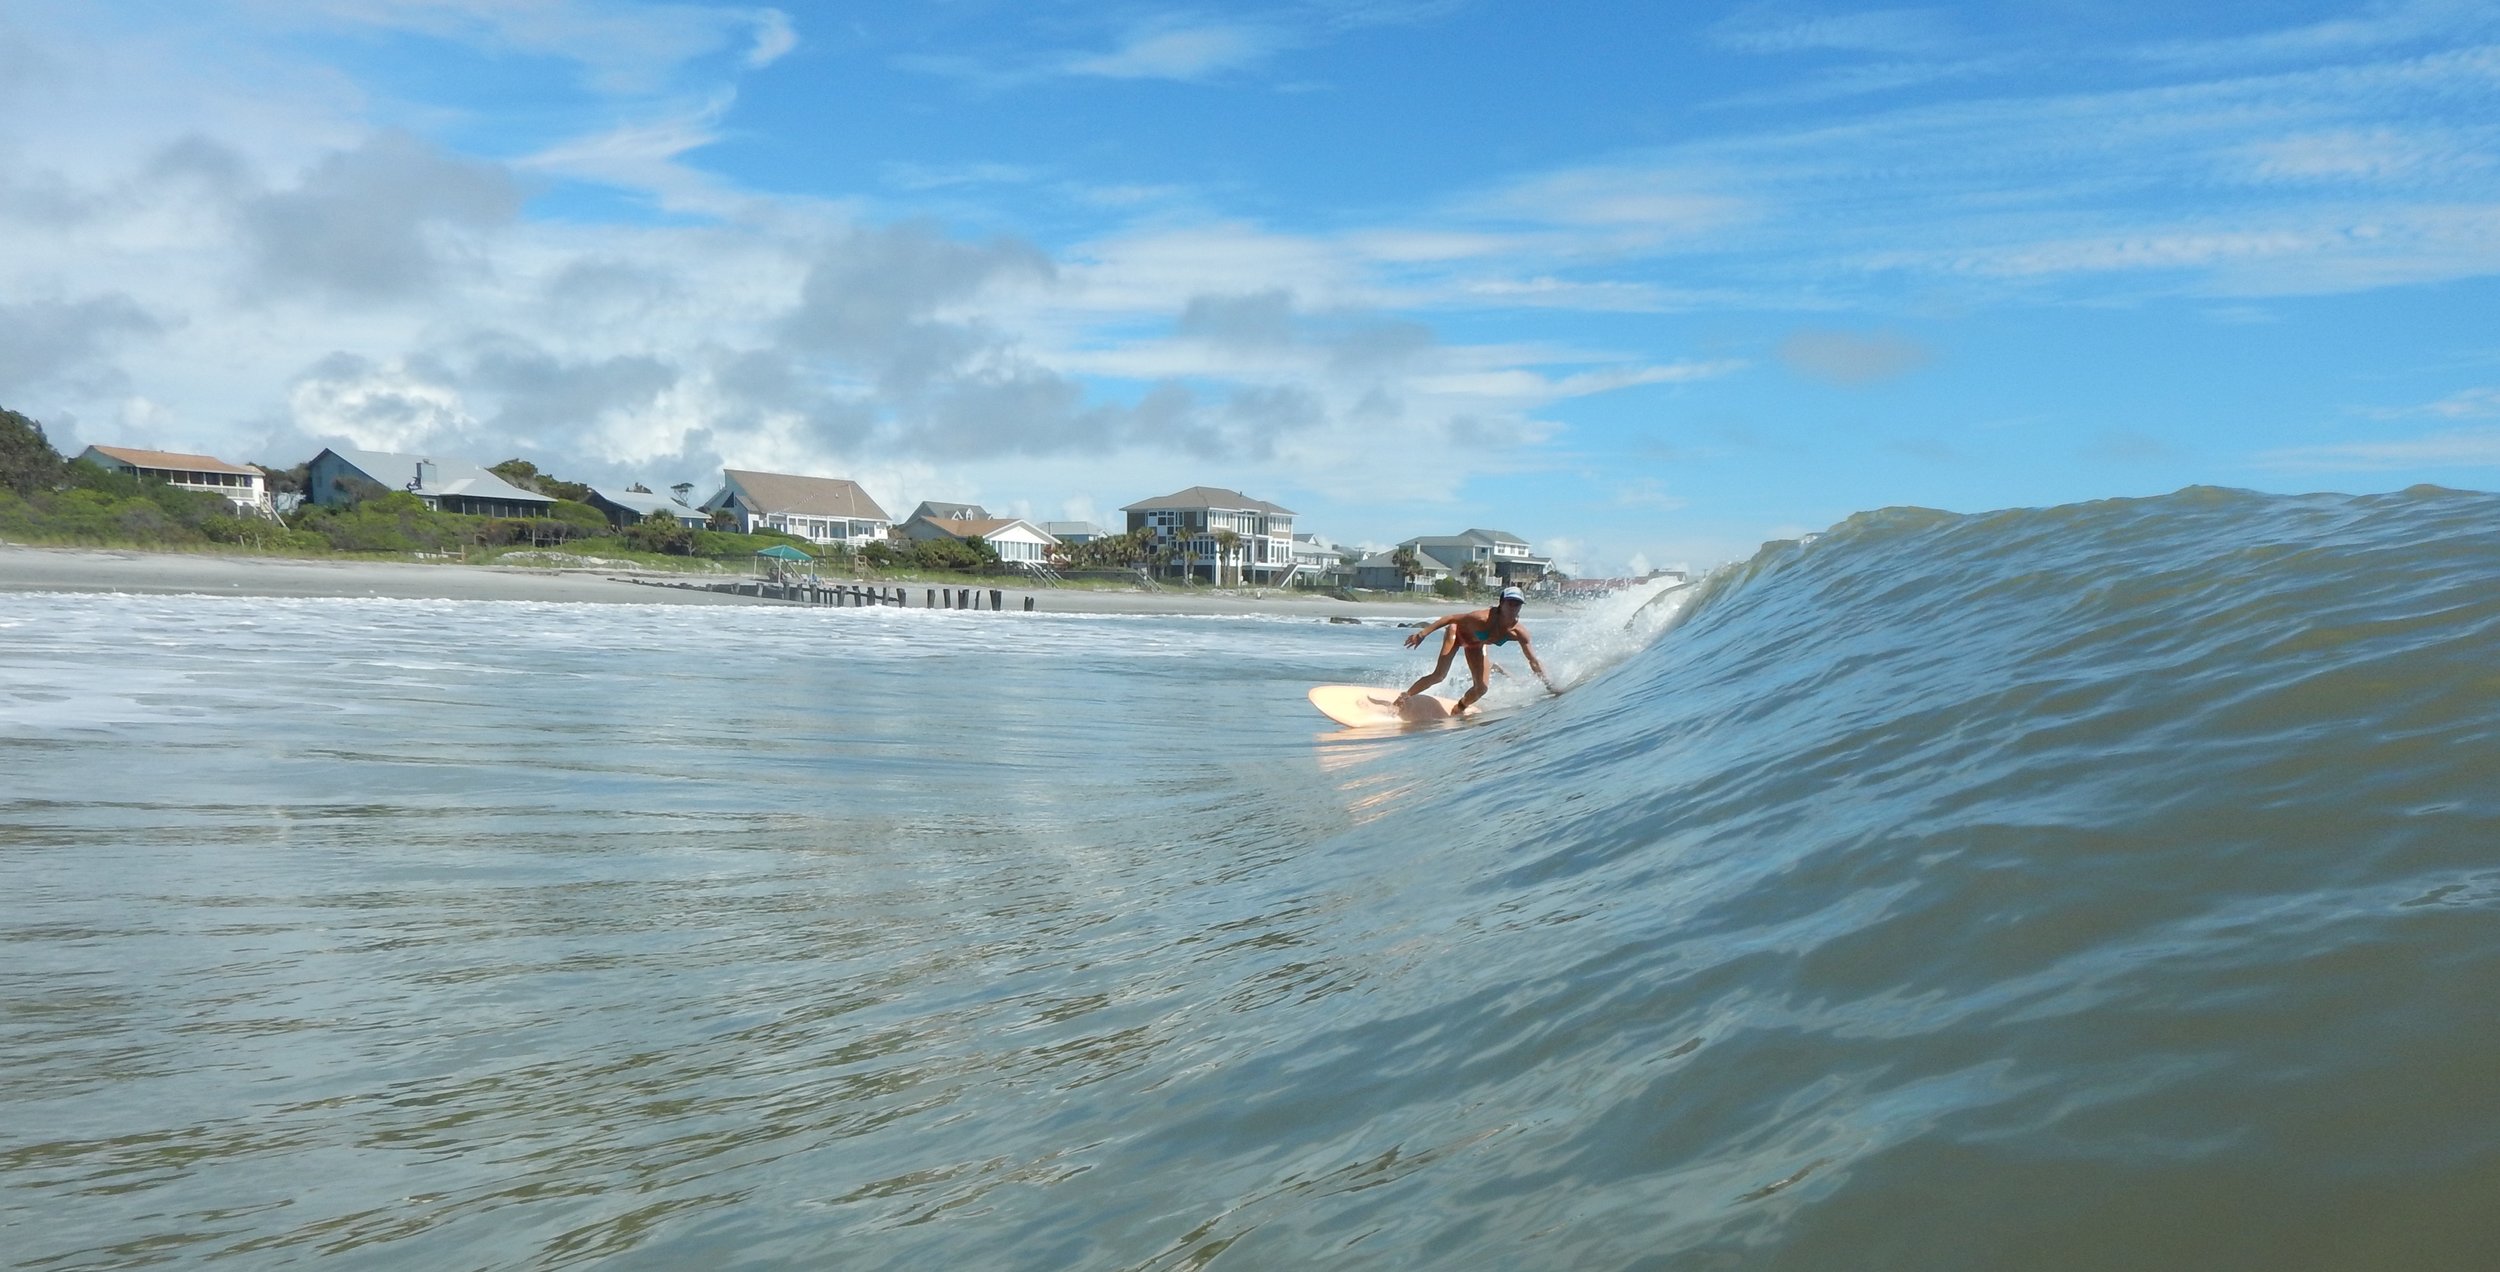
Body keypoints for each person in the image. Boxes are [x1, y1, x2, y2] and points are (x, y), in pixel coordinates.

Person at [1399, 585, 1558, 714]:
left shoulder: (1518, 633)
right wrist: (1422, 634)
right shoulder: (1481, 618)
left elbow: (1533, 661)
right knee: (1439, 675)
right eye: (1510, 603)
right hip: (1456, 633)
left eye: (1517, 604)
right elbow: (1450, 618)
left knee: (1481, 688)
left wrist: (1549, 685)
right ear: (1501, 603)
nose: (1513, 607)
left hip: (1476, 645)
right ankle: (1403, 698)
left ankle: (1459, 709)